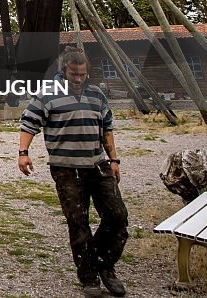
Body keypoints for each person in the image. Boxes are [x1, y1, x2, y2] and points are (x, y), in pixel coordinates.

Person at [19, 47, 129, 297]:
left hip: (97, 165)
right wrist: (23, 153)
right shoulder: (47, 94)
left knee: (118, 217)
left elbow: (107, 128)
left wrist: (114, 159)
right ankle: (88, 276)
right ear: (64, 70)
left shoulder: (97, 94)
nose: (78, 78)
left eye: (82, 74)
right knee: (78, 222)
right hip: (66, 169)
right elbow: (29, 123)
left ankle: (104, 264)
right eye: (73, 74)